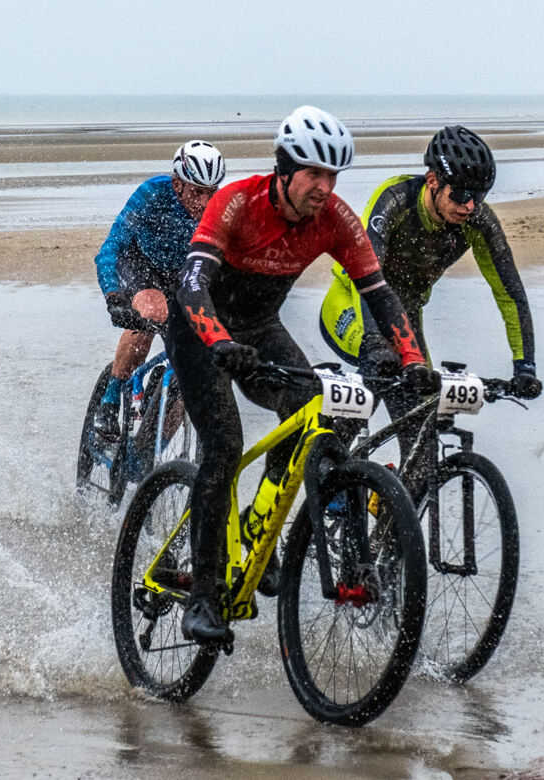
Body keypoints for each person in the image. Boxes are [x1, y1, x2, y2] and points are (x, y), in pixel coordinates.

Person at [166, 106, 437, 645]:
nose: (324, 187)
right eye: (314, 173)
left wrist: (413, 361)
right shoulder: (237, 202)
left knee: (317, 412)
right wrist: (219, 341)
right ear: (284, 170)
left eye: (333, 176)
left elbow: (380, 296)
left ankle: (257, 528)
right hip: (201, 330)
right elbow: (193, 285)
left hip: (260, 327)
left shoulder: (335, 218)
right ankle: (201, 598)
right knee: (224, 445)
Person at [319, 125, 542, 463]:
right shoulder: (395, 199)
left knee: (421, 431)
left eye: (478, 196)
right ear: (433, 180)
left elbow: (509, 294)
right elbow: (366, 274)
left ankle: (396, 504)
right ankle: (328, 466)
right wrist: (377, 342)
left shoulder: (478, 221)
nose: (469, 206)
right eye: (462, 195)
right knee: (385, 369)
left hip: (406, 314)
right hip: (353, 301)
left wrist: (524, 366)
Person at [91, 140, 226, 436]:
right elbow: (111, 247)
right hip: (141, 263)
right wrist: (113, 297)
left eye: (211, 193)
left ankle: (150, 452)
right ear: (178, 184)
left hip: (183, 273)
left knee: (192, 376)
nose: (205, 202)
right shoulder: (153, 193)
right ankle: (111, 402)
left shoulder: (218, 207)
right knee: (154, 313)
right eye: (197, 192)